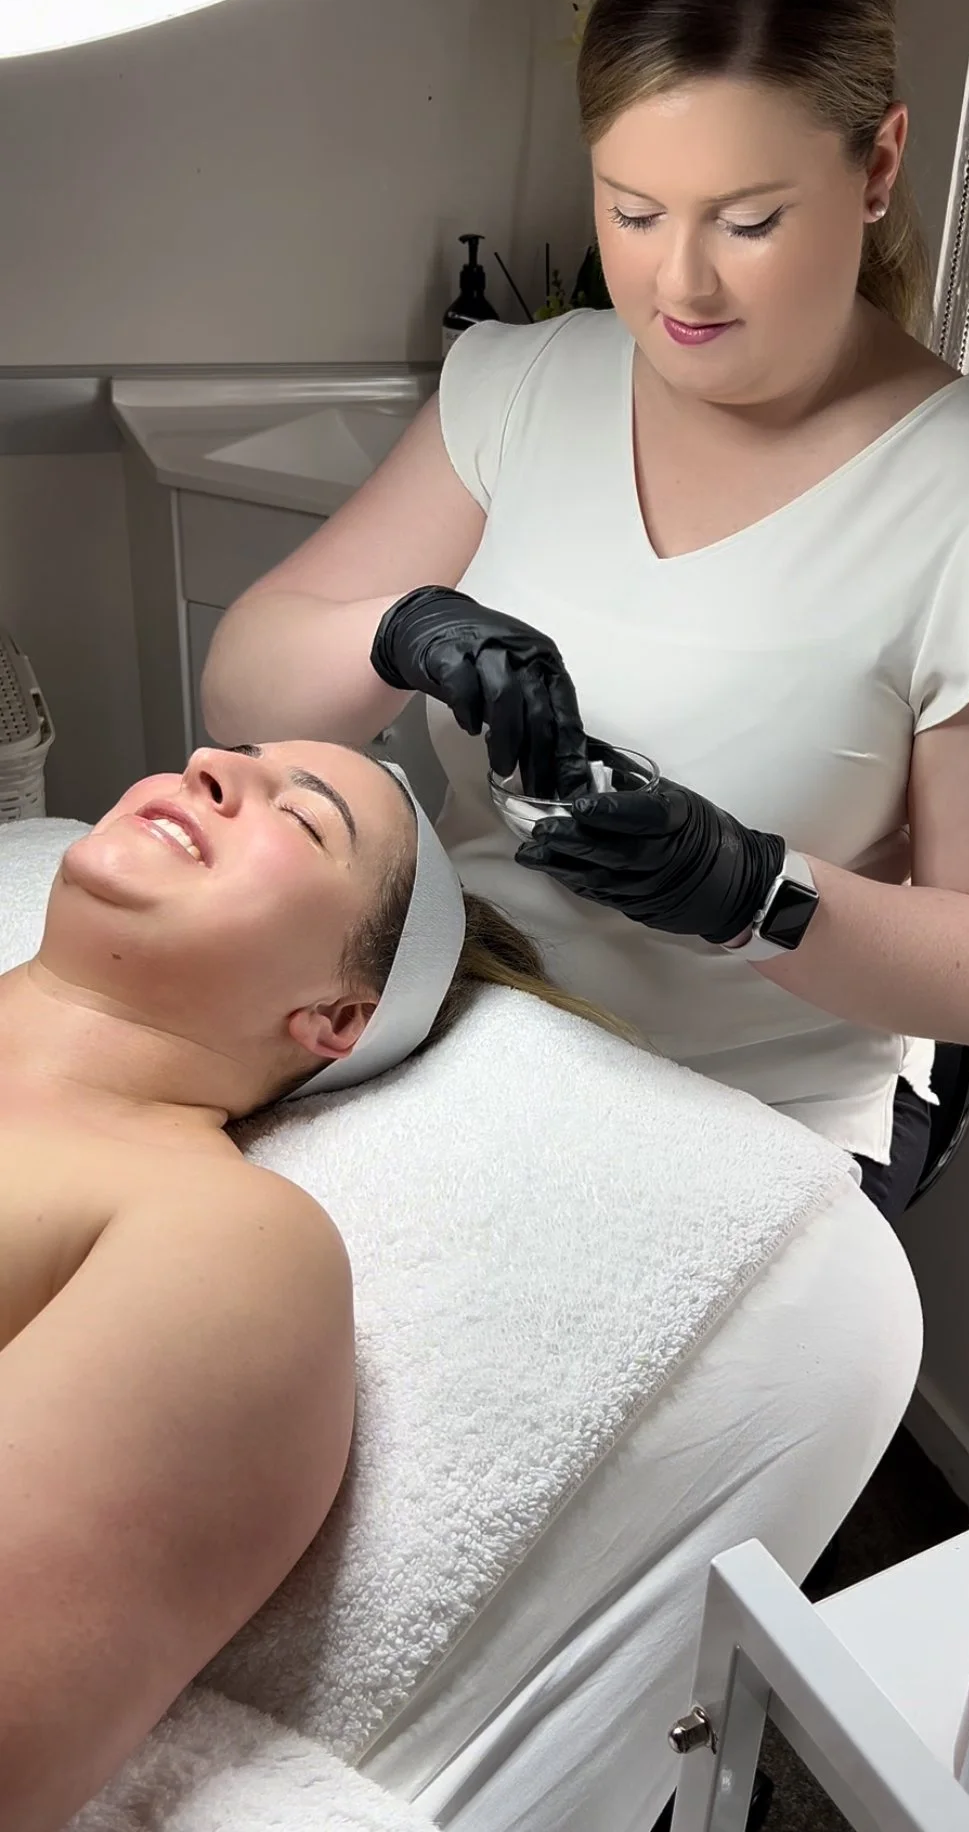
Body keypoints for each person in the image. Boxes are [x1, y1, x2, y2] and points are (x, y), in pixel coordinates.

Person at [202, 0, 969, 1220]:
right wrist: (401, 631)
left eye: (747, 222)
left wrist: (750, 893)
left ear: (876, 167)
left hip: (742, 1128)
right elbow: (242, 696)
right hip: (456, 1043)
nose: (678, 282)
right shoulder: (526, 388)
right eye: (633, 210)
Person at [0, 738, 611, 1832]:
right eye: (228, 757)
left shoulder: (221, 1242)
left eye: (304, 816)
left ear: (336, 1017)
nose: (204, 764)